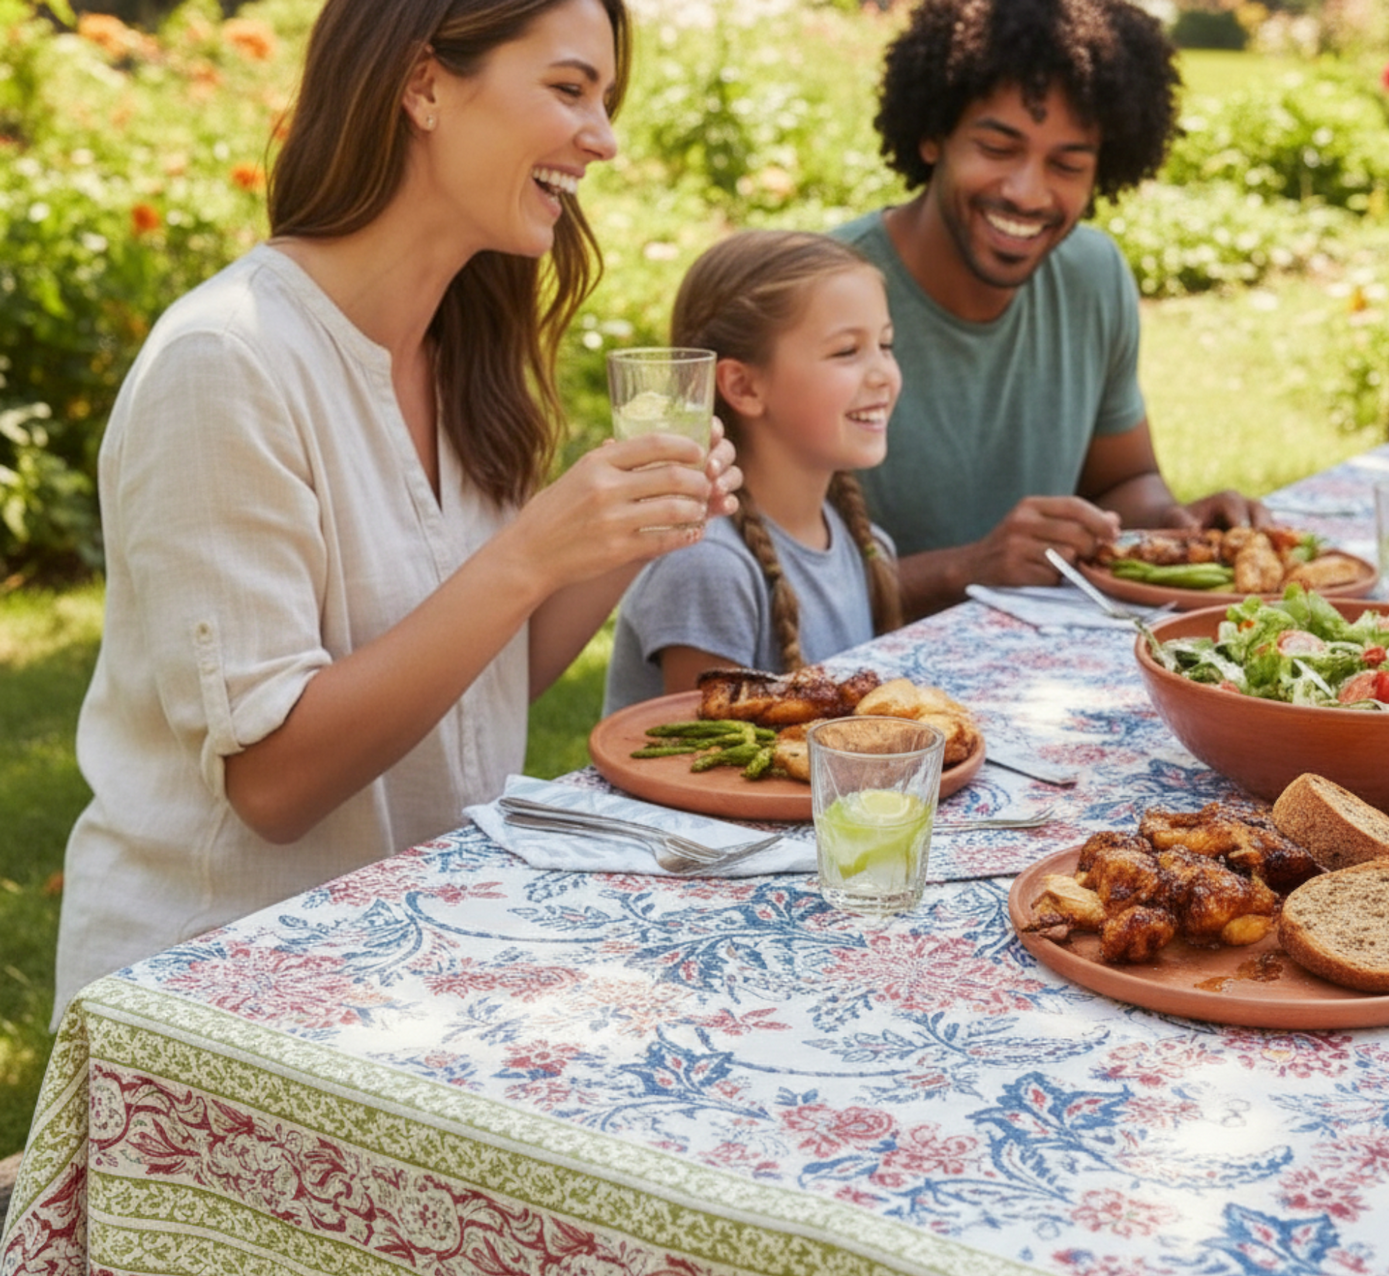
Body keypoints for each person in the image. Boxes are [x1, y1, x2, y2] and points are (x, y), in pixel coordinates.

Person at [52, 0, 741, 1025]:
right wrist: (527, 551)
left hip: (416, 961)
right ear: (421, 85)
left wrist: (613, 537)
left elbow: (478, 683)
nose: (601, 137)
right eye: (568, 89)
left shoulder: (465, 356)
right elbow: (275, 784)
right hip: (215, 997)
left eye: (604, 99)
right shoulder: (228, 359)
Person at [833, 0, 1271, 620]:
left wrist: (1177, 527)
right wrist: (966, 569)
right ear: (933, 136)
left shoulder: (1093, 275)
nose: (1028, 192)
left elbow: (1121, 483)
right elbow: (761, 585)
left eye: (1067, 164)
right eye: (996, 146)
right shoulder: (818, 300)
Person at [603, 230, 903, 714]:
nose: (884, 374)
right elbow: (701, 765)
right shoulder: (709, 567)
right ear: (742, 385)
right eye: (847, 351)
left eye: (885, 345)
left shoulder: (864, 544)